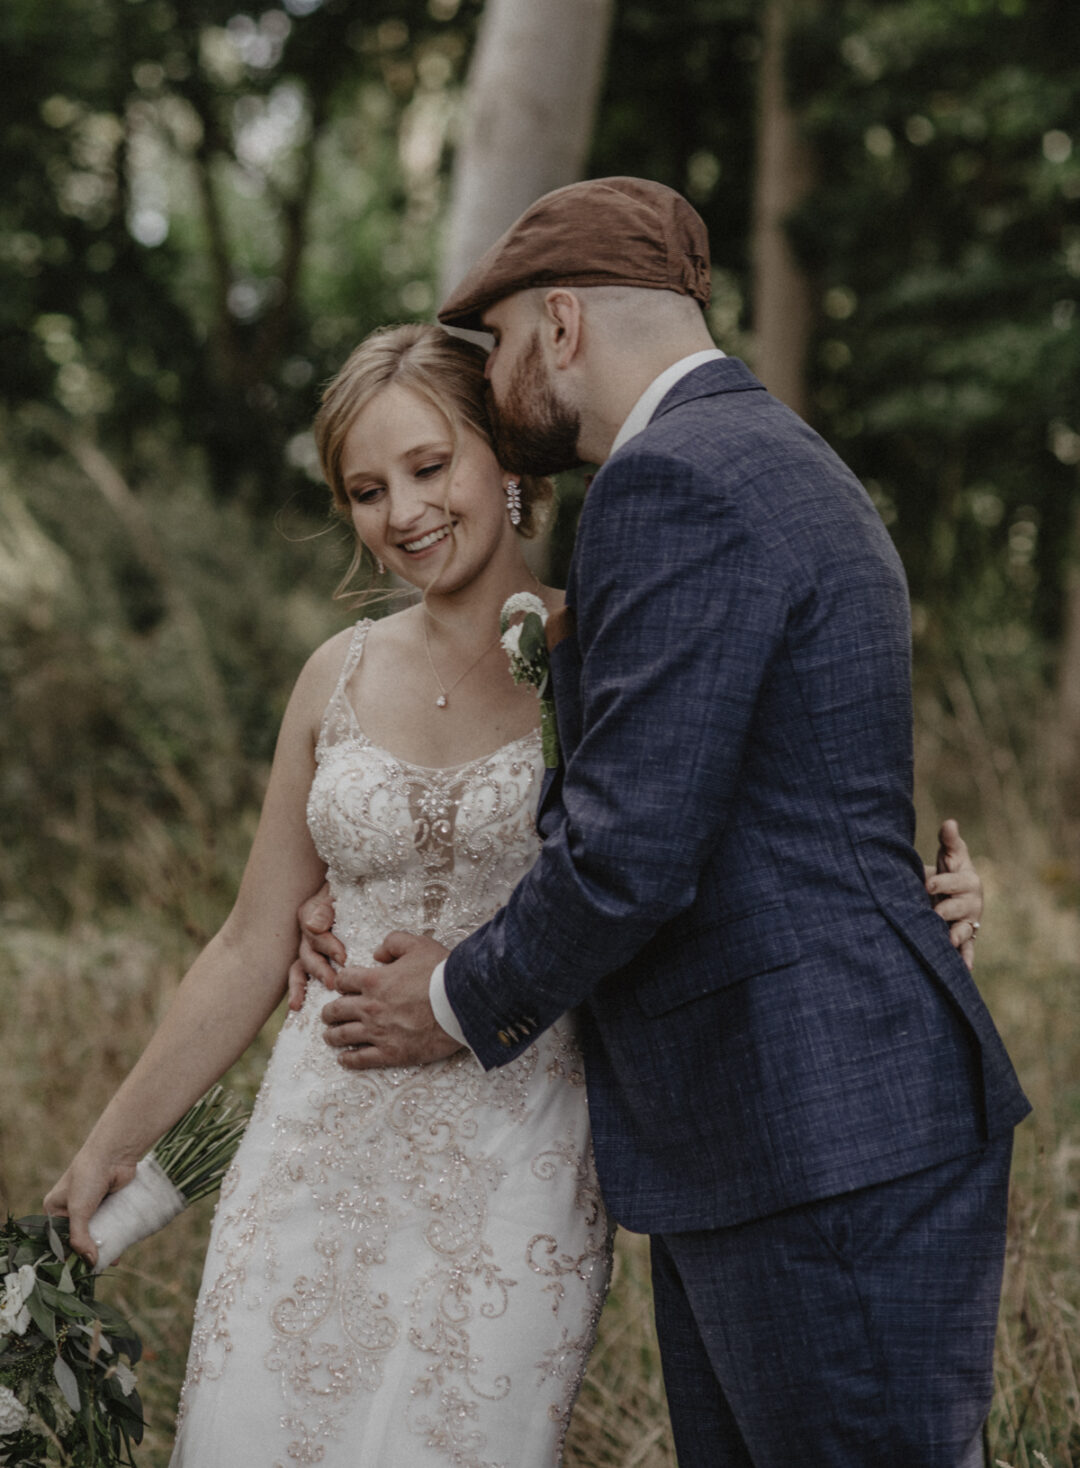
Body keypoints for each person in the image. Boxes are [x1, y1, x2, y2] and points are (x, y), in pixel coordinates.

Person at [306, 178, 1031, 1467]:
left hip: (812, 1131)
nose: (502, 381)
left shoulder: (669, 483)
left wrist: (455, 997)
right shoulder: (780, 455)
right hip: (808, 1124)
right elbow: (785, 799)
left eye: (506, 344)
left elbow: (632, 852)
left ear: (564, 324)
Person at [45, 325, 613, 1467]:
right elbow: (253, 940)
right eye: (365, 489)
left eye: (427, 465)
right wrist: (111, 1142)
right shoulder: (334, 675)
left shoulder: (603, 649)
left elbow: (687, 863)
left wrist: (921, 896)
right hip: (314, 1146)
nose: (401, 512)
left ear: (506, 460)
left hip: (520, 1159)